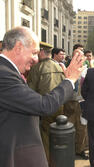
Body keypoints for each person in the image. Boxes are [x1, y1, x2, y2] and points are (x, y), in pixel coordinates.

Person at [0, 26, 85, 167]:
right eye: (34, 53)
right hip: (14, 156)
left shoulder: (7, 71)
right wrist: (70, 80)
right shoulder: (3, 74)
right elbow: (43, 105)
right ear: (19, 47)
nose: (36, 59)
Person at [27, 41, 66, 163]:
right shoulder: (59, 67)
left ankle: (48, 162)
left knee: (45, 136)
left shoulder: (36, 68)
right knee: (58, 136)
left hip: (44, 106)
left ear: (42, 52)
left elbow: (30, 91)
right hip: (59, 105)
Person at [64, 44, 89, 160]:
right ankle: (68, 149)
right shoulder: (66, 68)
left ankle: (80, 150)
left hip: (82, 102)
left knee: (82, 128)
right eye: (77, 55)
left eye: (81, 55)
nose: (79, 57)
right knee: (69, 126)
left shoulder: (86, 69)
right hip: (69, 102)